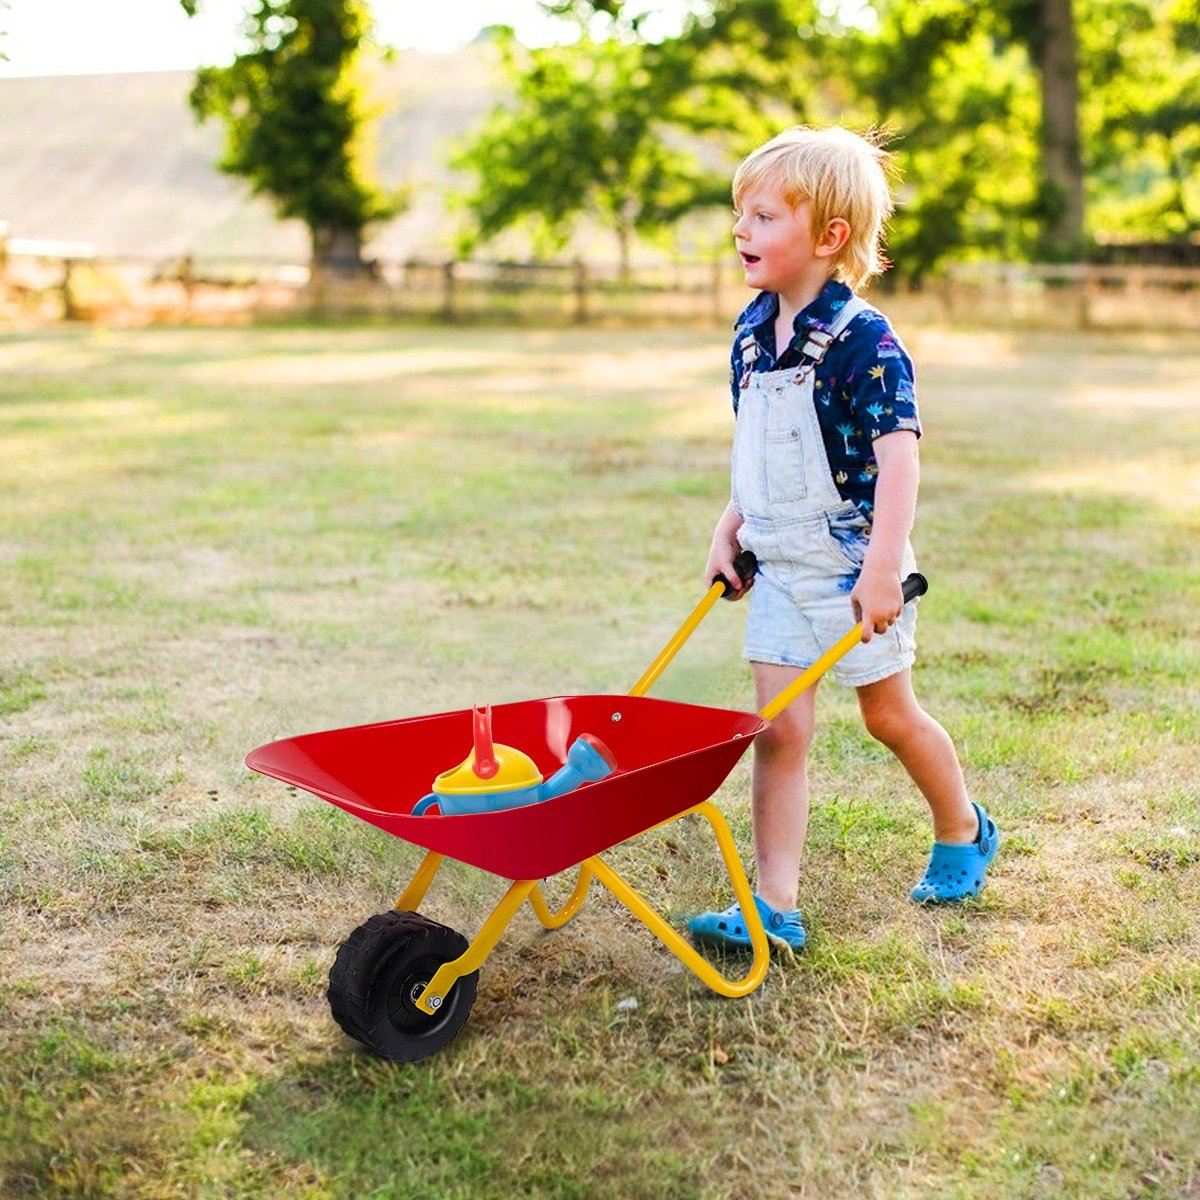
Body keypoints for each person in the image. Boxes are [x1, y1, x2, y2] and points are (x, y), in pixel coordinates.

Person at [688, 126, 999, 953]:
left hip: (854, 565)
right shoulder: (751, 334)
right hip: (781, 566)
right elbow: (755, 450)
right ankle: (774, 906)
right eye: (739, 214)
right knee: (778, 731)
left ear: (828, 238)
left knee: (888, 718)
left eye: (762, 216)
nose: (740, 231)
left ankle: (963, 826)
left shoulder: (867, 341)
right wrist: (732, 526)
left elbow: (900, 463)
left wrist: (881, 570)